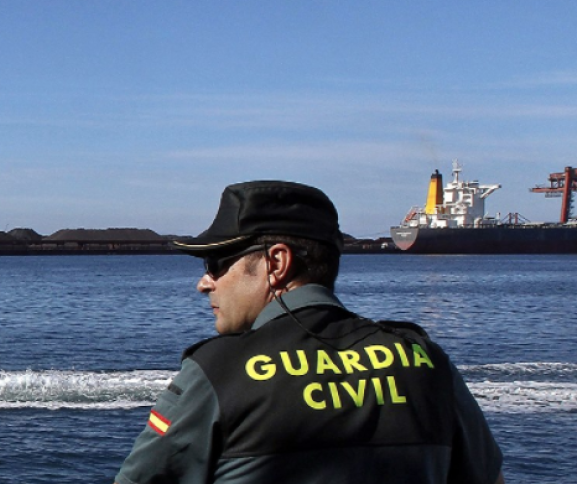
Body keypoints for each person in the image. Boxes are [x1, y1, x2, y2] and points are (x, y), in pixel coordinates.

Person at [114, 180, 503, 484]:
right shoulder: (427, 362)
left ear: (276, 263)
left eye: (216, 263)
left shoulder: (217, 373)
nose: (204, 283)